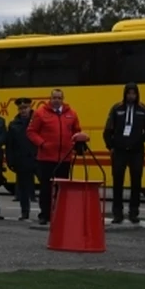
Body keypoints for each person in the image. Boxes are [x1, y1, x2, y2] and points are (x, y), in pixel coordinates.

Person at [26, 89, 82, 225]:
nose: (56, 100)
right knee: (46, 188)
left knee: (62, 188)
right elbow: (31, 131)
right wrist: (42, 143)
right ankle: (44, 215)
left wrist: (76, 141)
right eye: (54, 98)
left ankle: (59, 214)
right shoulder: (40, 113)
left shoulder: (72, 114)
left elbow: (77, 131)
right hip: (46, 158)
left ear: (63, 99)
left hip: (65, 158)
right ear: (50, 99)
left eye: (59, 98)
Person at [103, 82, 145, 224]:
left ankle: (133, 212)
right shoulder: (117, 109)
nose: (131, 96)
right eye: (129, 93)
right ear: (125, 94)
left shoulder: (143, 110)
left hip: (136, 152)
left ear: (137, 94)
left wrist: (141, 140)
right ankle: (117, 213)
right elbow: (108, 129)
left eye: (134, 93)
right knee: (118, 182)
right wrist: (111, 146)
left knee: (136, 182)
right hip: (119, 151)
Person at [6, 97, 37, 221]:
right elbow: (10, 145)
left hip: (37, 158)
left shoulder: (37, 121)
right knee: (23, 189)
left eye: (25, 108)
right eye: (21, 108)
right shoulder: (14, 124)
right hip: (22, 159)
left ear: (30, 107)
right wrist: (10, 161)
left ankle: (46, 213)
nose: (23, 111)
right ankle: (25, 212)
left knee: (46, 186)